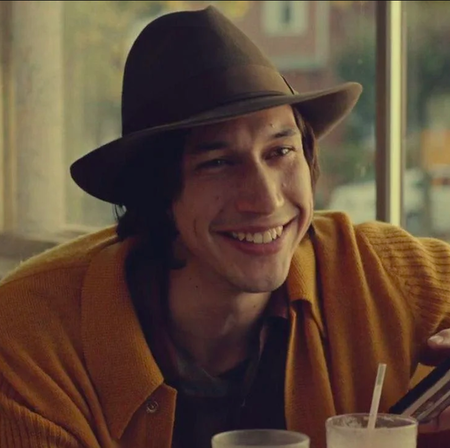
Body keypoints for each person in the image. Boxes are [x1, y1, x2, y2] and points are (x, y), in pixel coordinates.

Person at [0, 5, 449, 448]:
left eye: (281, 152)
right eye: (217, 162)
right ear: (157, 193)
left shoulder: (381, 271)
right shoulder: (29, 339)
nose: (267, 199)